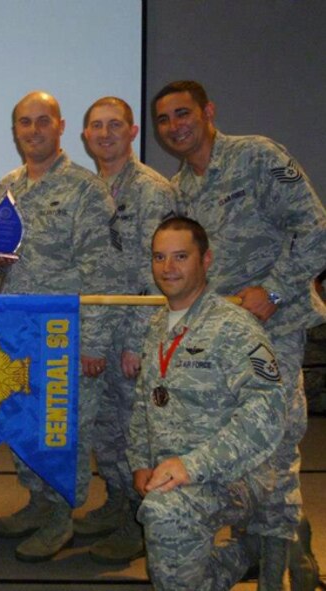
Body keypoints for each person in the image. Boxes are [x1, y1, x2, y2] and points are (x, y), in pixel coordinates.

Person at [153, 80, 325, 588]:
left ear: (208, 111)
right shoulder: (179, 188)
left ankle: (288, 557)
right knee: (237, 443)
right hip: (219, 338)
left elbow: (316, 229)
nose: (174, 127)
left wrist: (273, 292)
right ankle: (267, 540)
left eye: (183, 113)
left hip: (278, 325)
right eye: (164, 120)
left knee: (275, 440)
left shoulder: (256, 158)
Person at [0, 91, 123, 562]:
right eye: (24, 122)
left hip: (66, 338)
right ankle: (37, 503)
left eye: (43, 121)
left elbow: (102, 272)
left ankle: (61, 516)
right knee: (23, 424)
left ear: (61, 127)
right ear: (15, 130)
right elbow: (1, 259)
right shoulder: (8, 186)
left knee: (64, 431)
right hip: (17, 337)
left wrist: (93, 341)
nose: (33, 130)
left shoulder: (87, 189)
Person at [128, 216, 285, 590]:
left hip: (234, 473)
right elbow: (143, 403)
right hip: (173, 470)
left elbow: (267, 413)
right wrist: (139, 463)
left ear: (206, 260)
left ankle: (244, 555)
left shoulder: (235, 327)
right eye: (159, 257)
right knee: (172, 567)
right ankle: (245, 556)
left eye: (180, 256)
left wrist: (191, 466)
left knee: (164, 515)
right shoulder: (156, 326)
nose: (168, 268)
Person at [77, 97, 178, 564]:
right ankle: (119, 502)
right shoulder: (90, 188)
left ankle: (142, 520)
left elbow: (155, 271)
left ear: (132, 131)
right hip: (98, 329)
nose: (104, 133)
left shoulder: (150, 190)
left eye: (114, 125)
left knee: (134, 429)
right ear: (84, 136)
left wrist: (138, 342)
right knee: (104, 429)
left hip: (133, 335)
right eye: (96, 126)